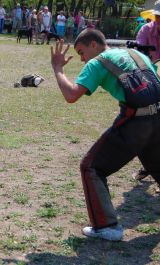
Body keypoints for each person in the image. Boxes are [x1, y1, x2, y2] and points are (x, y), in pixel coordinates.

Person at [50, 29, 160, 241]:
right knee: (157, 166)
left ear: (93, 45)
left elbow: (71, 95)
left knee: (91, 167)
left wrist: (57, 69)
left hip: (136, 122)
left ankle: (106, 227)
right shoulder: (135, 53)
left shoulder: (97, 62)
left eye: (82, 52)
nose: (82, 59)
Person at [132, 0, 160, 191]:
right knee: (145, 123)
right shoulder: (145, 31)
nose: (159, 20)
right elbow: (139, 56)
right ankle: (150, 166)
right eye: (157, 16)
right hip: (149, 78)